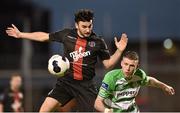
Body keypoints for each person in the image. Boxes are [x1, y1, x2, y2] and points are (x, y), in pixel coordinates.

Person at [6, 9, 128, 112]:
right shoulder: (66, 35)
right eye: (84, 26)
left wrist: (119, 51)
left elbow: (108, 64)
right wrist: (21, 34)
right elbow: (44, 36)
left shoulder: (98, 41)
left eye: (90, 26)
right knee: (43, 110)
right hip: (66, 82)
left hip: (86, 86)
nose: (87, 29)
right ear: (76, 25)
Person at [94, 51, 175, 113]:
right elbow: (97, 103)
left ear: (137, 67)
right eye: (126, 64)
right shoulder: (111, 77)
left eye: (132, 65)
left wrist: (164, 86)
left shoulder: (140, 75)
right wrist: (107, 111)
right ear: (121, 63)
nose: (128, 68)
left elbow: (149, 80)